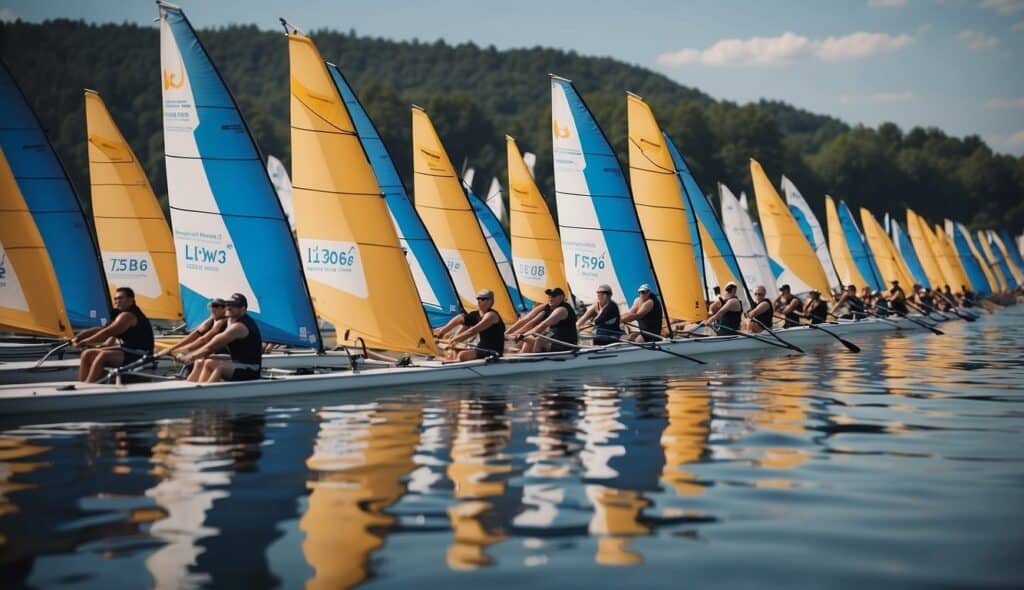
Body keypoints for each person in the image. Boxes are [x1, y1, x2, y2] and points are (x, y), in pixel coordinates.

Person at [74, 287, 155, 382]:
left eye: (120, 298)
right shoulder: (120, 314)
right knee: (87, 353)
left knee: (103, 355)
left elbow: (106, 333)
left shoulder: (128, 316)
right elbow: (102, 329)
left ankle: (89, 385)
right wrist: (79, 337)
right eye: (115, 299)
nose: (117, 301)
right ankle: (82, 384)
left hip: (142, 355)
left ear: (131, 300)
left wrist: (84, 342)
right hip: (128, 351)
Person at [179, 293, 262, 382]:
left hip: (252, 369)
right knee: (200, 361)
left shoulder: (239, 326)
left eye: (234, 305)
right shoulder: (230, 320)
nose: (229, 307)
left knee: (211, 364)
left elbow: (212, 346)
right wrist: (191, 355)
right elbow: (206, 340)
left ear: (243, 309)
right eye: (228, 304)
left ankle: (204, 391)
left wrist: (189, 356)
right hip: (237, 362)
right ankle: (191, 386)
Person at [433, 289, 506, 361]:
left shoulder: (491, 315)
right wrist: (447, 336)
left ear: (490, 301)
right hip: (481, 348)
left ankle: (450, 363)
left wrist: (453, 340)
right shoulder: (476, 314)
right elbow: (461, 320)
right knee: (460, 318)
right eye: (478, 298)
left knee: (462, 355)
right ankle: (441, 333)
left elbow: (473, 331)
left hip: (493, 350)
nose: (479, 301)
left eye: (483, 299)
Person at [157, 298, 228, 359]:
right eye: (212, 307)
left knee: (191, 356)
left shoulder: (222, 322)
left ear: (224, 309)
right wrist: (172, 348)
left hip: (223, 353)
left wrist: (182, 351)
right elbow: (195, 334)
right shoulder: (212, 319)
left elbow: (203, 339)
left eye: (216, 306)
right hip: (209, 349)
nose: (213, 308)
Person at [517, 287, 578, 353]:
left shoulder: (561, 310)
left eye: (554, 296)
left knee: (537, 340)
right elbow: (532, 322)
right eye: (549, 296)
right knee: (530, 339)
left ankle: (535, 361)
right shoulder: (550, 308)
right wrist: (515, 334)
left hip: (565, 344)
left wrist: (522, 336)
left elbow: (542, 325)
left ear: (561, 297)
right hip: (555, 340)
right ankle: (521, 357)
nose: (550, 299)